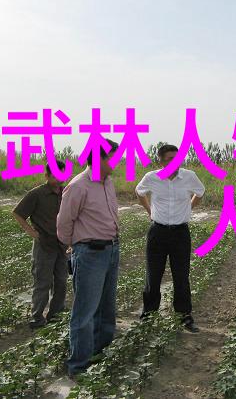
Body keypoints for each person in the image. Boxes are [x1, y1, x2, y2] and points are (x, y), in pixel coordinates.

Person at [57, 139, 120, 378]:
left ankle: (99, 353)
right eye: (113, 157)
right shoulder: (78, 186)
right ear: (99, 158)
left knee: (106, 308)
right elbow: (64, 223)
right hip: (90, 253)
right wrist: (75, 247)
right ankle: (78, 365)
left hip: (111, 249)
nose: (117, 161)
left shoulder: (108, 183)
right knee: (85, 312)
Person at [135, 144, 205, 333]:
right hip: (157, 232)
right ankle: (148, 315)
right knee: (153, 275)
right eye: (170, 159)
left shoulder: (189, 176)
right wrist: (149, 210)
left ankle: (184, 316)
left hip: (180, 233)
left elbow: (200, 192)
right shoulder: (151, 178)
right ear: (161, 161)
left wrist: (189, 207)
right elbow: (139, 192)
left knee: (181, 276)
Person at [13, 162, 68, 329]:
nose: (59, 178)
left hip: (61, 245)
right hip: (44, 245)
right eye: (56, 175)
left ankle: (56, 314)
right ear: (47, 176)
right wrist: (32, 232)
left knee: (61, 281)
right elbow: (18, 213)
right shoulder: (37, 194)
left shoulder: (66, 192)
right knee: (42, 282)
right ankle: (37, 318)